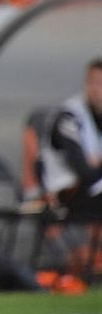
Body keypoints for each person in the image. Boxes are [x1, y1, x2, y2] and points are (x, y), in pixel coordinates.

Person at [43, 58, 102, 215]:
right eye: (91, 82)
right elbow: (84, 170)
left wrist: (98, 161)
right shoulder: (69, 116)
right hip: (67, 193)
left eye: (100, 83)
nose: (95, 89)